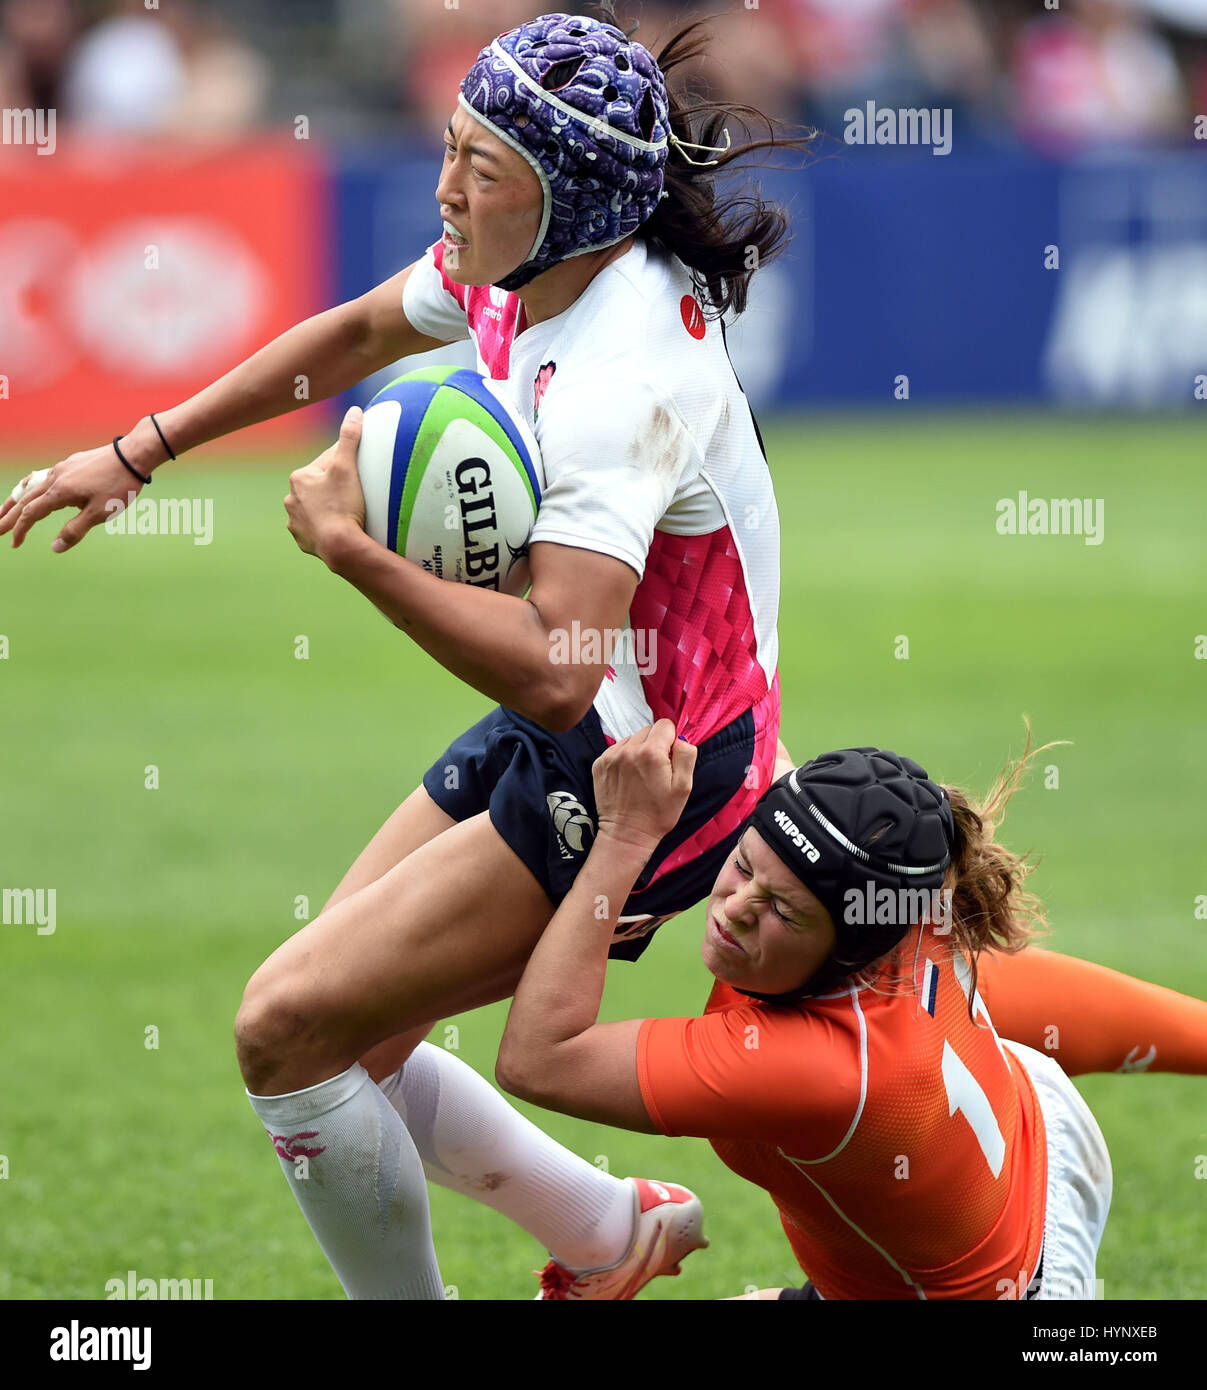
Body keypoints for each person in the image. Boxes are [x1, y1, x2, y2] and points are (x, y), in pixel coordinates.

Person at [0, 11, 812, 1300]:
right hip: (590, 717)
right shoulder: (529, 265)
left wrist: (356, 552)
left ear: (574, 201)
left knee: (287, 1028)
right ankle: (613, 1235)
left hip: (653, 771)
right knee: (343, 1041)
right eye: (450, 149)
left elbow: (557, 658)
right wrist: (138, 449)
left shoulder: (624, 374)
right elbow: (354, 337)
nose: (446, 190)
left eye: (482, 172)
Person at [496, 722, 1207, 1299]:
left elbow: (538, 1059)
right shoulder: (888, 898)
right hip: (1017, 1122)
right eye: (744, 866)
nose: (735, 911)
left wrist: (623, 838)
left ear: (850, 949)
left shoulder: (819, 1067)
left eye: (780, 911)